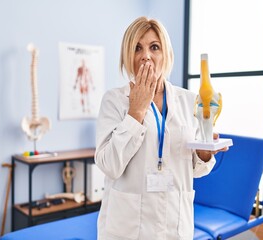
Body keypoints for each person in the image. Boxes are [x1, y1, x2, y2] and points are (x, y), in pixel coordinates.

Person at [94, 16, 228, 240]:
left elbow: (192, 170)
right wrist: (135, 112)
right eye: (137, 48)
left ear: (165, 54)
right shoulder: (114, 101)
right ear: (128, 56)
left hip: (174, 226)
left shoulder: (188, 100)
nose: (145, 55)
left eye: (154, 47)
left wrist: (204, 154)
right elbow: (109, 165)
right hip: (127, 228)